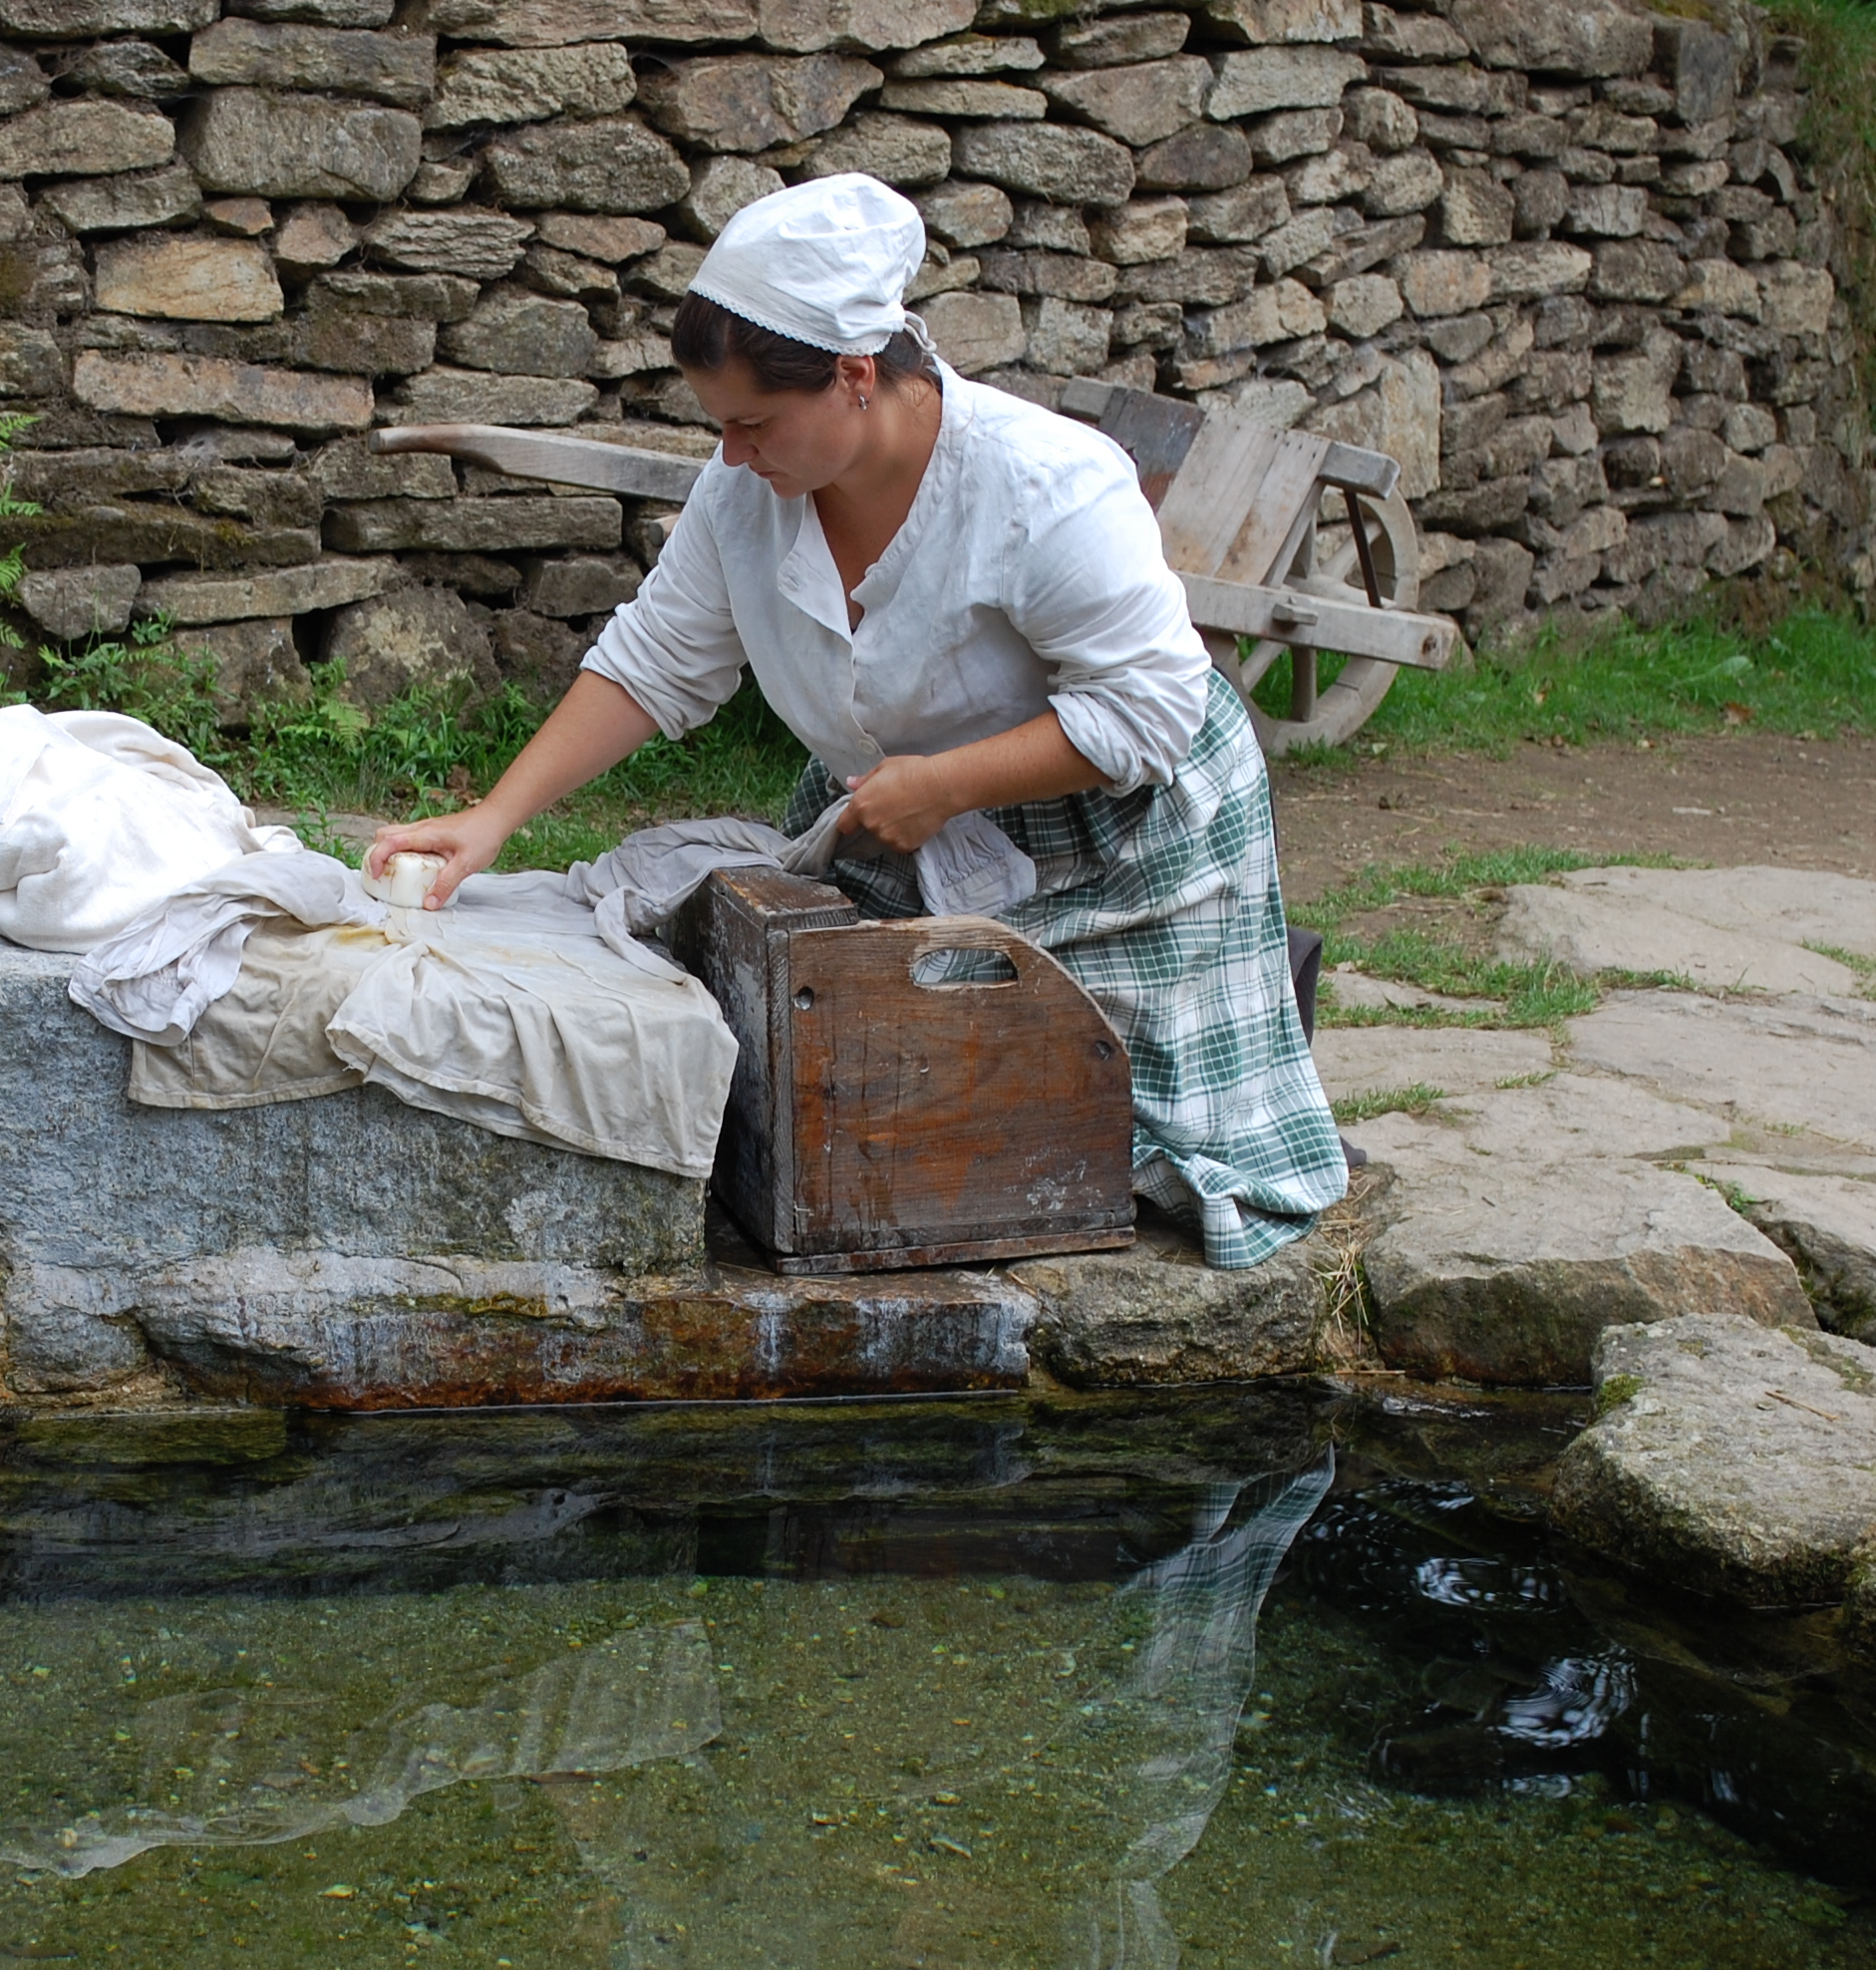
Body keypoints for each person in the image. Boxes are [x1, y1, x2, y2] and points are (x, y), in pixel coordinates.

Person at [362, 173, 1348, 1269]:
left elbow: (1149, 710)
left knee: (1066, 1111)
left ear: (852, 375)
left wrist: (948, 783)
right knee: (843, 1054)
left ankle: (1229, 971)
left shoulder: (1044, 485)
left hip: (1120, 825)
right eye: (718, 425)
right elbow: (654, 660)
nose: (730, 454)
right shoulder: (745, 496)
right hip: (898, 816)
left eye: (750, 422)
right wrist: (493, 816)